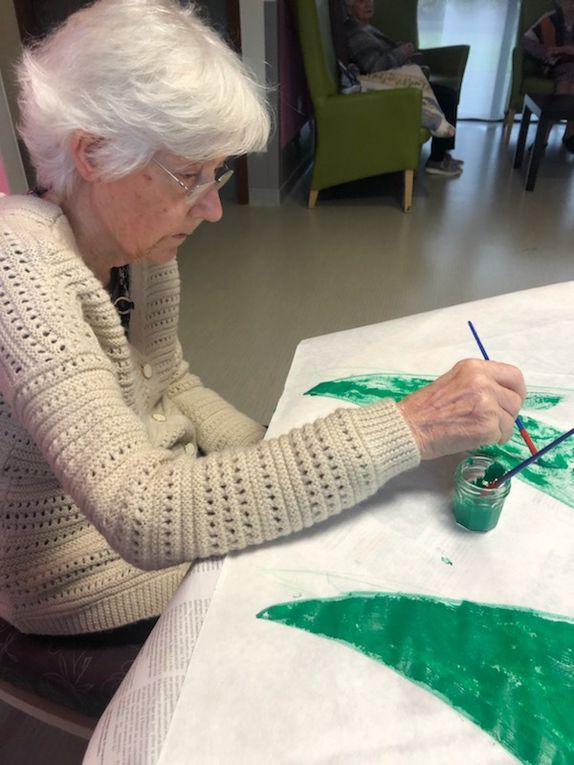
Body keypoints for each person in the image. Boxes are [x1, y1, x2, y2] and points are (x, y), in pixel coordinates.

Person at [0, 0, 525, 640]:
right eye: (189, 175)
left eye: (214, 173)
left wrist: (277, 454)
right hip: (89, 579)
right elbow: (143, 515)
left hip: (156, 522)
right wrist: (411, 426)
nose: (213, 209)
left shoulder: (137, 247)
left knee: (351, 519)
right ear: (92, 152)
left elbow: (172, 385)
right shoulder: (18, 271)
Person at [344, 0, 463, 177]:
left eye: (370, 0)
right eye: (361, 1)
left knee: (447, 95)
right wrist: (402, 53)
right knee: (447, 97)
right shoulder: (355, 34)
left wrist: (398, 48)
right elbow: (374, 67)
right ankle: (437, 161)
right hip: (387, 88)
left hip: (395, 81)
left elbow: (380, 55)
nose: (369, 4)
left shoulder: (366, 28)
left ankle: (442, 154)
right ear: (350, 7)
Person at [523, 0, 574, 152]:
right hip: (555, 65)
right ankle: (554, 136)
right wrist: (548, 53)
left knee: (569, 83)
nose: (572, 5)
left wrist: (567, 49)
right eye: (569, 1)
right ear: (561, 3)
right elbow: (527, 41)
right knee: (565, 84)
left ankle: (564, 135)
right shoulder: (549, 19)